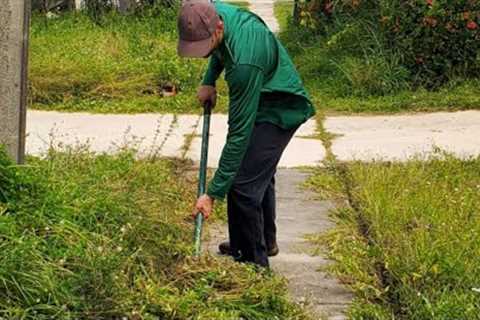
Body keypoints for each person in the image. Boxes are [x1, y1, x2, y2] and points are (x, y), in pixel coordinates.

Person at [177, 0, 315, 268]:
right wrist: (208, 80)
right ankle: (257, 240)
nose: (203, 52)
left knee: (242, 186)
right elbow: (217, 50)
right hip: (264, 90)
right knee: (258, 174)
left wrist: (212, 193)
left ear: (218, 27)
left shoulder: (244, 64)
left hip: (281, 107)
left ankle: (254, 265)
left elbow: (238, 136)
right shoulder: (214, 11)